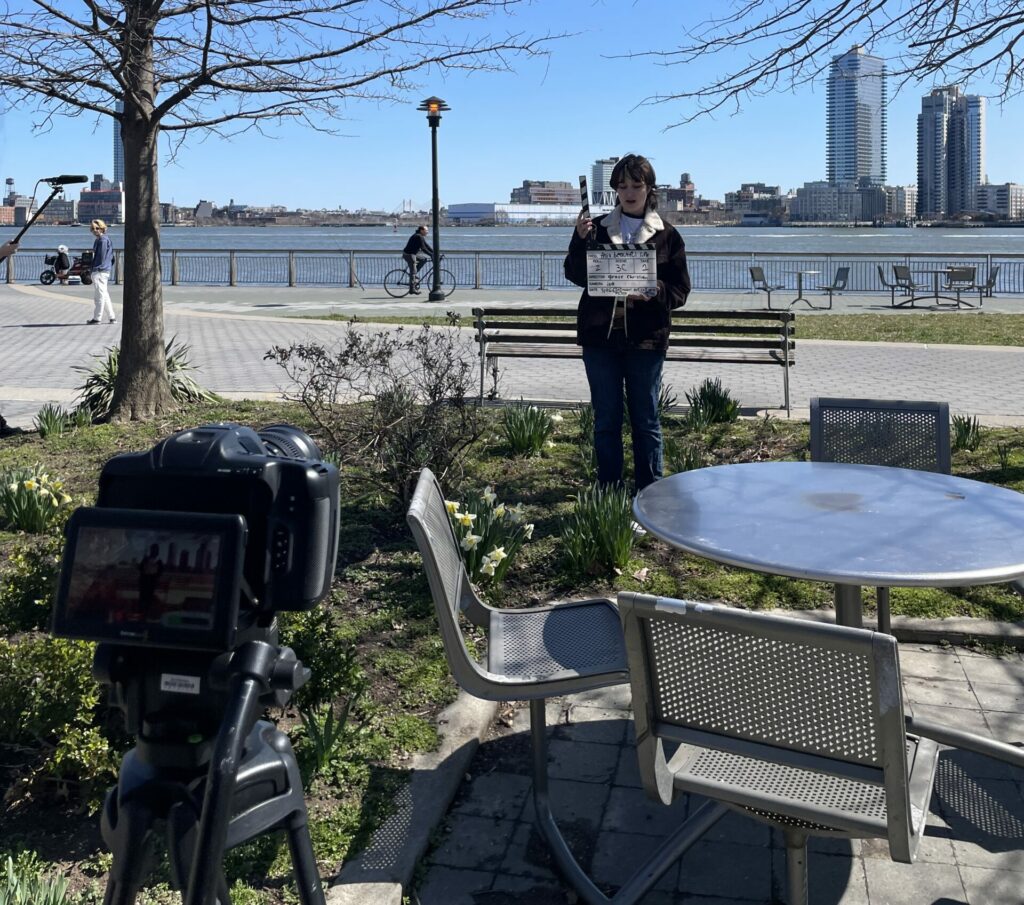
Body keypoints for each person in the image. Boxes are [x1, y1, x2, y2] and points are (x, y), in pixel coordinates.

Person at [564, 153, 690, 492]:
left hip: (646, 340)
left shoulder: (667, 235)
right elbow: (575, 274)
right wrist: (578, 239)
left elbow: (680, 290)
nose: (629, 192)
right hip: (599, 338)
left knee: (646, 420)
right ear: (615, 190)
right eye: (622, 186)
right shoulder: (597, 228)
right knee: (606, 419)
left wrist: (654, 291)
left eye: (637, 185)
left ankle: (651, 492)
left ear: (649, 188)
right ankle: (609, 489)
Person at [87, 218, 115, 324]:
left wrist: (95, 268)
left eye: (97, 228)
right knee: (104, 294)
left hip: (100, 271)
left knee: (99, 296)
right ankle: (112, 317)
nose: (95, 230)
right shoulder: (102, 239)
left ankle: (97, 318)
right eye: (93, 229)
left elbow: (101, 257)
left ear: (102, 228)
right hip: (103, 270)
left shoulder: (102, 240)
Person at [402, 225, 433, 294]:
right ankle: (412, 289)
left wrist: (435, 253)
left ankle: (414, 274)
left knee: (423, 259)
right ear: (421, 230)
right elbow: (423, 248)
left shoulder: (420, 236)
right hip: (409, 254)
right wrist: (431, 255)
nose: (427, 232)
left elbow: (426, 245)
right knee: (413, 271)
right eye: (426, 230)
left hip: (413, 253)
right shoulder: (418, 236)